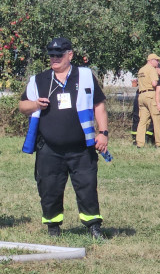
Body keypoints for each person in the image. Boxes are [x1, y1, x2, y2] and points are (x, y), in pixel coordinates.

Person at [19, 37, 109, 239]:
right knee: (49, 188)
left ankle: (93, 226)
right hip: (49, 148)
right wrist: (35, 105)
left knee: (87, 187)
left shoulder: (85, 76)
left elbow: (99, 106)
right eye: (51, 55)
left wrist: (103, 133)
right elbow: (22, 106)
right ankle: (53, 227)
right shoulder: (39, 80)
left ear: (70, 54)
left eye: (59, 54)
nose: (54, 58)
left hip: (81, 147)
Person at [135, 53, 160, 148]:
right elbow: (154, 83)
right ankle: (159, 143)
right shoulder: (152, 69)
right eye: (157, 60)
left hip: (141, 95)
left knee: (142, 121)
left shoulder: (141, 69)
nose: (158, 62)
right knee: (157, 119)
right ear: (151, 60)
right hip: (151, 95)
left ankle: (139, 143)